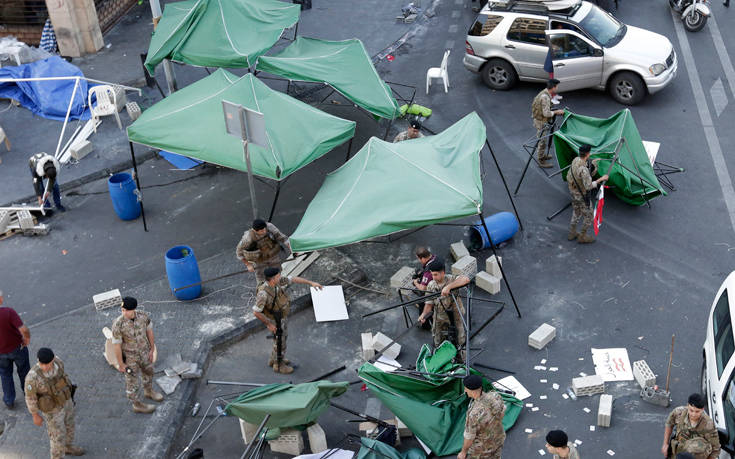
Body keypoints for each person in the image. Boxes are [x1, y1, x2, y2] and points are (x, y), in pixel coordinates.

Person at [253, 267, 323, 374]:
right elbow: (256, 312)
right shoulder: (263, 293)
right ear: (272, 279)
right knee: (281, 342)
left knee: (278, 341)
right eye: (278, 276)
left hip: (280, 316)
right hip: (274, 320)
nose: (280, 277)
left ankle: (273, 359)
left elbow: (293, 279)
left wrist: (311, 282)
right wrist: (269, 325)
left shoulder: (276, 282)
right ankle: (279, 365)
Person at [25, 348, 84, 458]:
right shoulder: (32, 377)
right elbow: (30, 398)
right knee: (57, 436)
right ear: (38, 361)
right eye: (42, 364)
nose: (45, 367)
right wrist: (35, 415)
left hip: (66, 402)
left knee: (70, 425)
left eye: (48, 364)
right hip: (52, 410)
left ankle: (68, 447)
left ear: (53, 360)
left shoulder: (58, 363)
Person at [111, 297, 164, 414]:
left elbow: (149, 332)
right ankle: (137, 404)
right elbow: (116, 346)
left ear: (133, 309)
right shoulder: (118, 324)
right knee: (132, 382)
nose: (124, 312)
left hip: (144, 353)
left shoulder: (143, 317)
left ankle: (148, 391)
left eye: (126, 310)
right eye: (122, 309)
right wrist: (121, 364)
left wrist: (152, 349)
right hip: (130, 358)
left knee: (149, 372)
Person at [418, 259, 470, 360]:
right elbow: (429, 304)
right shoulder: (431, 285)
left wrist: (449, 287)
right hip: (439, 316)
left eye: (436, 274)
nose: (433, 277)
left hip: (455, 316)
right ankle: (441, 359)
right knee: (437, 339)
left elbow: (466, 279)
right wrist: (423, 315)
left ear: (443, 273)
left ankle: (462, 361)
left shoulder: (451, 279)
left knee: (460, 339)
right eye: (432, 275)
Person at [567, 144, 608, 244]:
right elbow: (589, 185)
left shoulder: (575, 160)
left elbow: (576, 176)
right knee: (589, 216)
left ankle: (572, 232)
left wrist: (593, 165)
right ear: (588, 154)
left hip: (573, 192)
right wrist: (601, 179)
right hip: (581, 195)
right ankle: (583, 236)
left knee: (576, 212)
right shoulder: (584, 170)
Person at [458, 374, 506, 459]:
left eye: (466, 388)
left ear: (472, 391)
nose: (465, 390)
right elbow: (502, 412)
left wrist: (463, 452)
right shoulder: (495, 396)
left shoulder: (474, 413)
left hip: (482, 450)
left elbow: (469, 437)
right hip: (498, 439)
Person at [662, 393, 720, 459]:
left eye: (697, 411)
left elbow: (715, 449)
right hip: (677, 452)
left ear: (702, 410)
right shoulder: (679, 412)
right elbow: (669, 423)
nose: (693, 414)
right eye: (691, 410)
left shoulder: (709, 425)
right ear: (687, 406)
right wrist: (665, 443)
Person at [0, 289, 31, 409]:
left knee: (5, 375)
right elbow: (23, 329)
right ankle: (29, 395)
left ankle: (9, 400)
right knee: (24, 372)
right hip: (17, 348)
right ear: (1, 299)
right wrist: (27, 338)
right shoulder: (9, 312)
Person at [236, 219, 292, 285]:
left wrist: (291, 249)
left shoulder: (269, 227)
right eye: (262, 230)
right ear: (255, 230)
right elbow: (239, 253)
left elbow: (282, 238)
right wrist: (248, 265)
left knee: (277, 273)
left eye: (265, 228)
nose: (264, 231)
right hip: (259, 260)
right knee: (261, 279)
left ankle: (279, 288)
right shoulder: (248, 238)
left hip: (273, 256)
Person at [531, 79, 565, 168]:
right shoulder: (545, 97)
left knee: (543, 140)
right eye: (556, 86)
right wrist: (557, 112)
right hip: (541, 121)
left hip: (540, 119)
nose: (557, 88)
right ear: (553, 87)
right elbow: (546, 113)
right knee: (542, 141)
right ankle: (541, 160)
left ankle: (542, 156)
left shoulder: (545, 93)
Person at [412, 247, 436, 330]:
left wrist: (415, 282)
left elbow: (422, 288)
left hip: (432, 291)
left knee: (423, 304)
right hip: (438, 283)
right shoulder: (435, 258)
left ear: (422, 258)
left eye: (419, 259)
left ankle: (425, 325)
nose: (419, 261)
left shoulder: (428, 271)